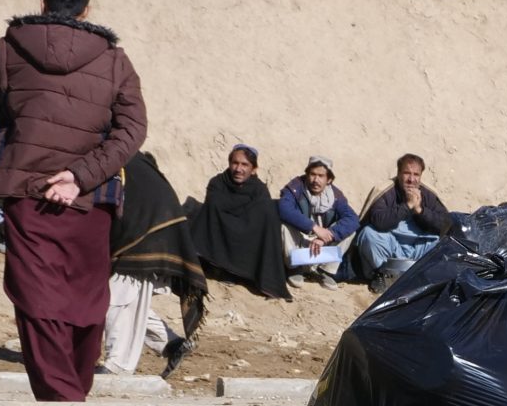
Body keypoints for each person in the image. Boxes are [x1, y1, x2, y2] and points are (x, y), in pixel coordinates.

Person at [0, 0, 142, 402]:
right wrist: (82, 176)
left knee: (37, 299)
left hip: (29, 192)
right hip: (91, 200)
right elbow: (132, 129)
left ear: (43, 1)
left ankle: (62, 400)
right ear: (87, 7)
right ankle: (73, 394)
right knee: (86, 302)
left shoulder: (13, 47)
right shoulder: (114, 59)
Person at [102, 149, 202, 378]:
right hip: (144, 239)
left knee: (114, 300)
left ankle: (118, 365)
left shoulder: (120, 163)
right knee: (132, 302)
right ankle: (171, 343)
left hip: (140, 242)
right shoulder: (131, 166)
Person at [189, 143, 288, 300]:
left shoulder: (259, 190)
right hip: (219, 237)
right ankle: (219, 267)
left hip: (245, 243)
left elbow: (261, 220)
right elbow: (214, 209)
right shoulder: (217, 183)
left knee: (269, 209)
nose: (238, 169)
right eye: (235, 163)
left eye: (245, 165)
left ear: (253, 169)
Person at [350, 153, 452, 286]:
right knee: (368, 234)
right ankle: (380, 275)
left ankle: (419, 278)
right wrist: (408, 205)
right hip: (391, 246)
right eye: (407, 173)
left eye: (416, 175)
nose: (411, 179)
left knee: (443, 244)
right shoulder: (385, 191)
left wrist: (420, 211)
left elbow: (445, 224)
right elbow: (379, 221)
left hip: (418, 247)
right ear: (398, 174)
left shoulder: (429, 194)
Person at [275, 156, 357, 288]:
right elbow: (284, 209)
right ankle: (295, 268)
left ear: (329, 179)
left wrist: (327, 235)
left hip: (320, 245)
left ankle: (323, 271)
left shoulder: (335, 195)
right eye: (312, 174)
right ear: (307, 174)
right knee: (285, 226)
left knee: (350, 231)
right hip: (300, 240)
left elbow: (352, 219)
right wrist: (314, 227)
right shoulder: (295, 187)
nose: (315, 180)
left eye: (321, 176)